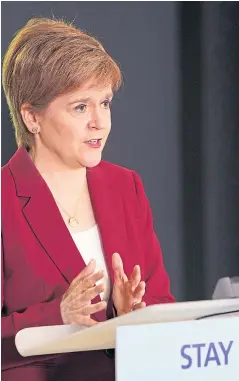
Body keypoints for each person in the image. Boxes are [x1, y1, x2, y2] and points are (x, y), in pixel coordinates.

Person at [1, 17, 175, 381]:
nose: (100, 122)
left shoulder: (125, 186)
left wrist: (133, 314)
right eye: (81, 107)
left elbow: (161, 303)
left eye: (105, 103)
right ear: (32, 117)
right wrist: (58, 316)